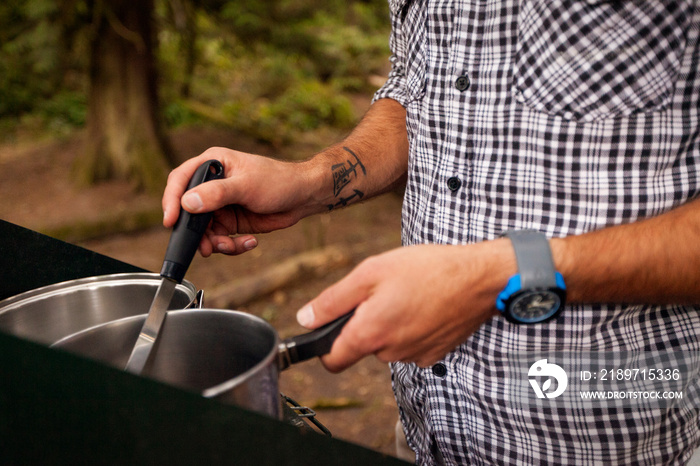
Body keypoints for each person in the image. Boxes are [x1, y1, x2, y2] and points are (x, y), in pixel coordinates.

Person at [163, 1, 700, 464]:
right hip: (428, 427)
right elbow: (417, 97)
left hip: (613, 430)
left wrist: (499, 277)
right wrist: (310, 181)